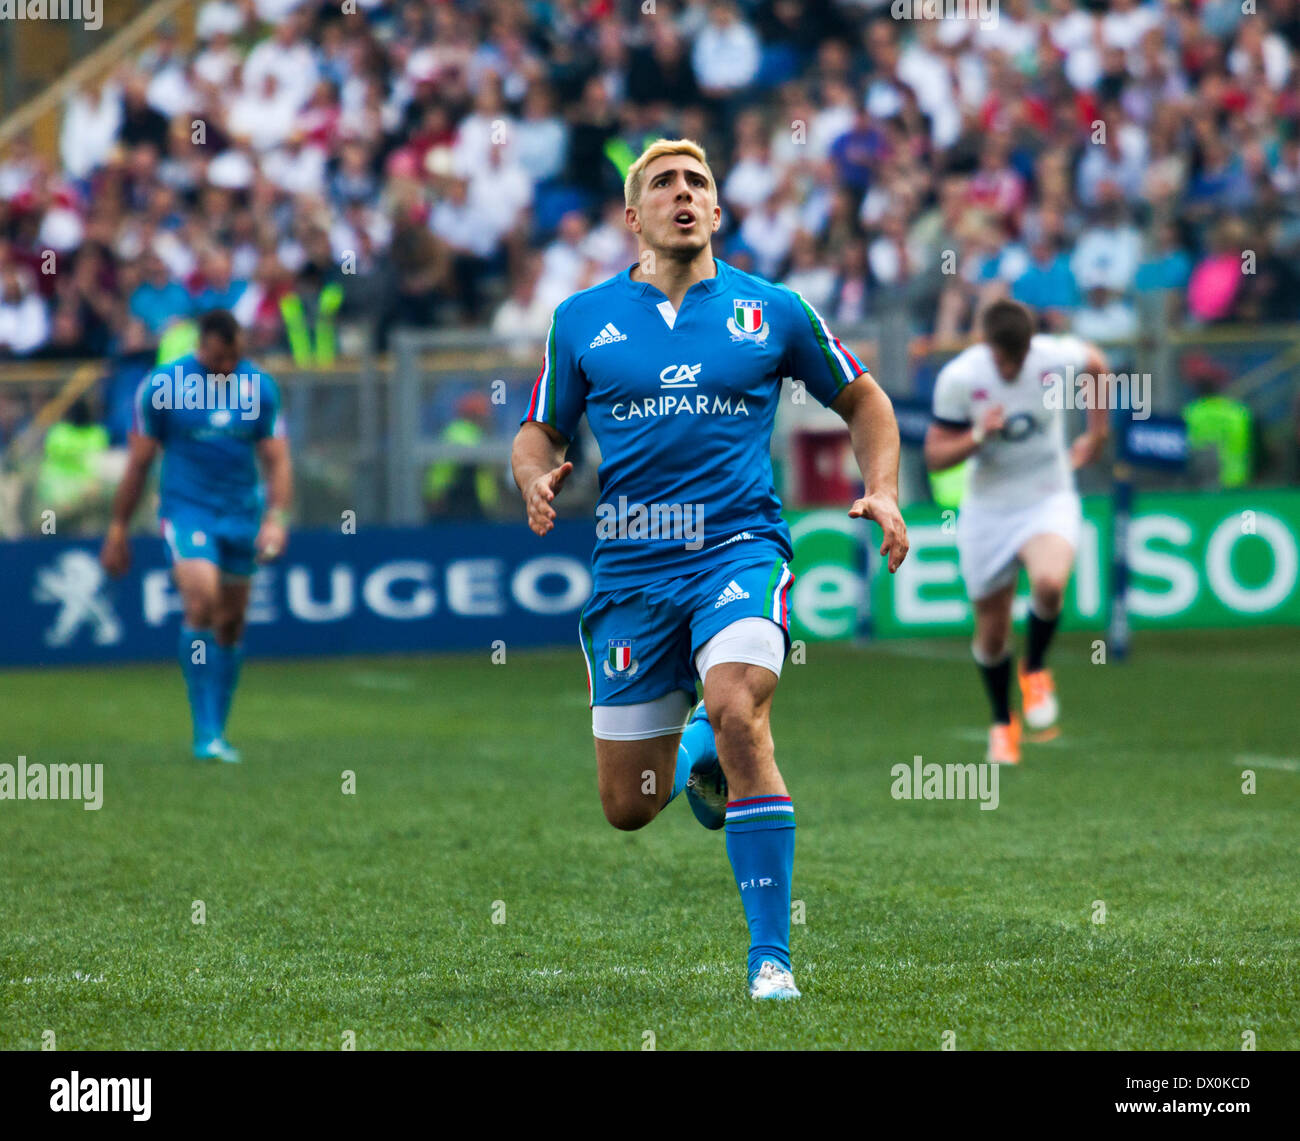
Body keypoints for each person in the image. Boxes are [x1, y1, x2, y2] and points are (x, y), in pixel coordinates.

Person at [510, 139, 908, 1001]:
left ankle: (771, 958)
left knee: (739, 707)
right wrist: (534, 474)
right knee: (630, 803)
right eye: (663, 183)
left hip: (738, 549)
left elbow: (863, 398)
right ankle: (694, 744)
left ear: (718, 212)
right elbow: (538, 429)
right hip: (630, 573)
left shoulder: (774, 310)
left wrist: (881, 488)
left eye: (698, 182)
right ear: (633, 216)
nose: (682, 193)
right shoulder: (581, 318)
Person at [99, 310, 293, 763]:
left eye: (235, 356)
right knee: (201, 600)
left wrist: (276, 518)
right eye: (220, 358)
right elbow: (140, 462)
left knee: (230, 622)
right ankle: (203, 729)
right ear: (202, 345)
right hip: (187, 510)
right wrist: (118, 527)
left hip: (242, 513)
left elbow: (278, 459)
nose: (228, 366)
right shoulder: (164, 387)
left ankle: (218, 730)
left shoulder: (259, 387)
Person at [924, 299, 1110, 765]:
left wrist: (1098, 433)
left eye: (1019, 358)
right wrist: (977, 436)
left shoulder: (1052, 356)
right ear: (988, 347)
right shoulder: (961, 379)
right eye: (1004, 359)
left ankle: (1036, 668)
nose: (1011, 367)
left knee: (1049, 583)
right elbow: (935, 455)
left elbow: (1098, 365)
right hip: (988, 510)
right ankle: (1002, 720)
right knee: (992, 630)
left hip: (1048, 495)